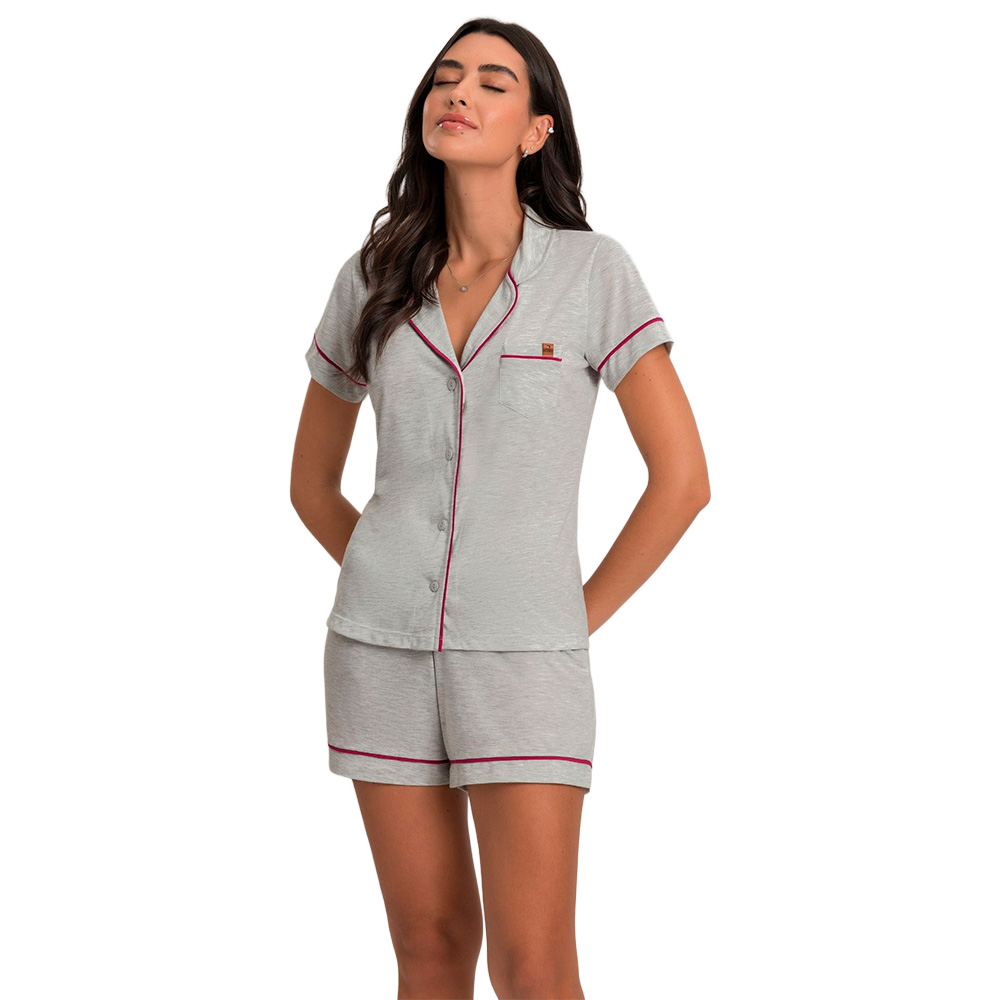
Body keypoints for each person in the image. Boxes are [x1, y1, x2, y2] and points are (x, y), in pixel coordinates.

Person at [290, 18, 710, 1000]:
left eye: (491, 81)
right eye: (446, 77)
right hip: (377, 655)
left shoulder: (593, 273)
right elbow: (311, 484)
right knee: (429, 946)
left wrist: (565, 615)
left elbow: (683, 479)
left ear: (535, 130)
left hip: (526, 661)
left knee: (534, 965)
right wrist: (391, 579)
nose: (459, 93)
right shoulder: (372, 275)